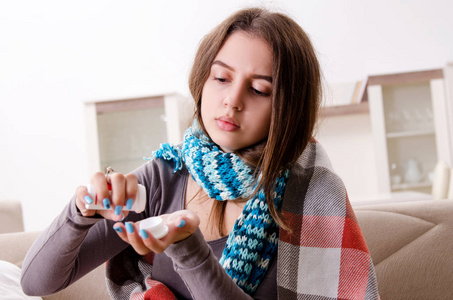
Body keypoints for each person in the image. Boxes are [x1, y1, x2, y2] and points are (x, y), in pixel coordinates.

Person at [21, 7, 379, 300]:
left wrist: (187, 249)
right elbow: (36, 284)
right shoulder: (166, 174)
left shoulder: (312, 195)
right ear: (202, 81)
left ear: (288, 107)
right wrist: (81, 212)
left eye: (258, 89)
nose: (232, 100)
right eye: (221, 78)